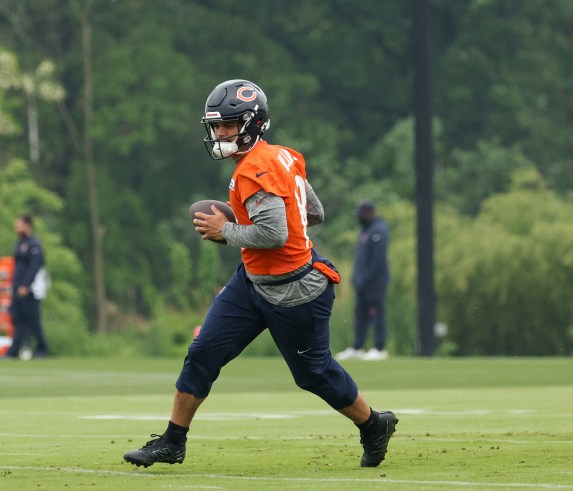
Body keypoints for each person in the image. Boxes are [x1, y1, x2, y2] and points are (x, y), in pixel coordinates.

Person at [123, 79, 397, 469]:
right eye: (216, 125)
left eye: (228, 125)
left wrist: (227, 230)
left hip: (294, 291)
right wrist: (254, 221)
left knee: (314, 374)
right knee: (202, 352)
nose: (219, 133)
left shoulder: (255, 169)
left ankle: (373, 425)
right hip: (253, 280)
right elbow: (313, 212)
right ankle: (172, 442)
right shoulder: (282, 156)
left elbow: (274, 233)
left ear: (253, 123)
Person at [336, 201, 390, 361]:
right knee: (360, 315)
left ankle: (379, 348)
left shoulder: (378, 230)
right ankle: (357, 347)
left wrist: (366, 279)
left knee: (377, 314)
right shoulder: (365, 230)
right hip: (361, 283)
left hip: (375, 283)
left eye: (362, 213)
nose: (359, 217)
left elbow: (378, 261)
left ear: (370, 213)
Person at [4, 215, 50, 359]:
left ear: (27, 225)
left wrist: (26, 285)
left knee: (33, 320)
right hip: (17, 288)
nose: (16, 228)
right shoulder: (19, 243)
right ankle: (14, 351)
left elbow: (35, 266)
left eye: (19, 225)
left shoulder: (34, 244)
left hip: (29, 290)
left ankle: (42, 349)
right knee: (18, 320)